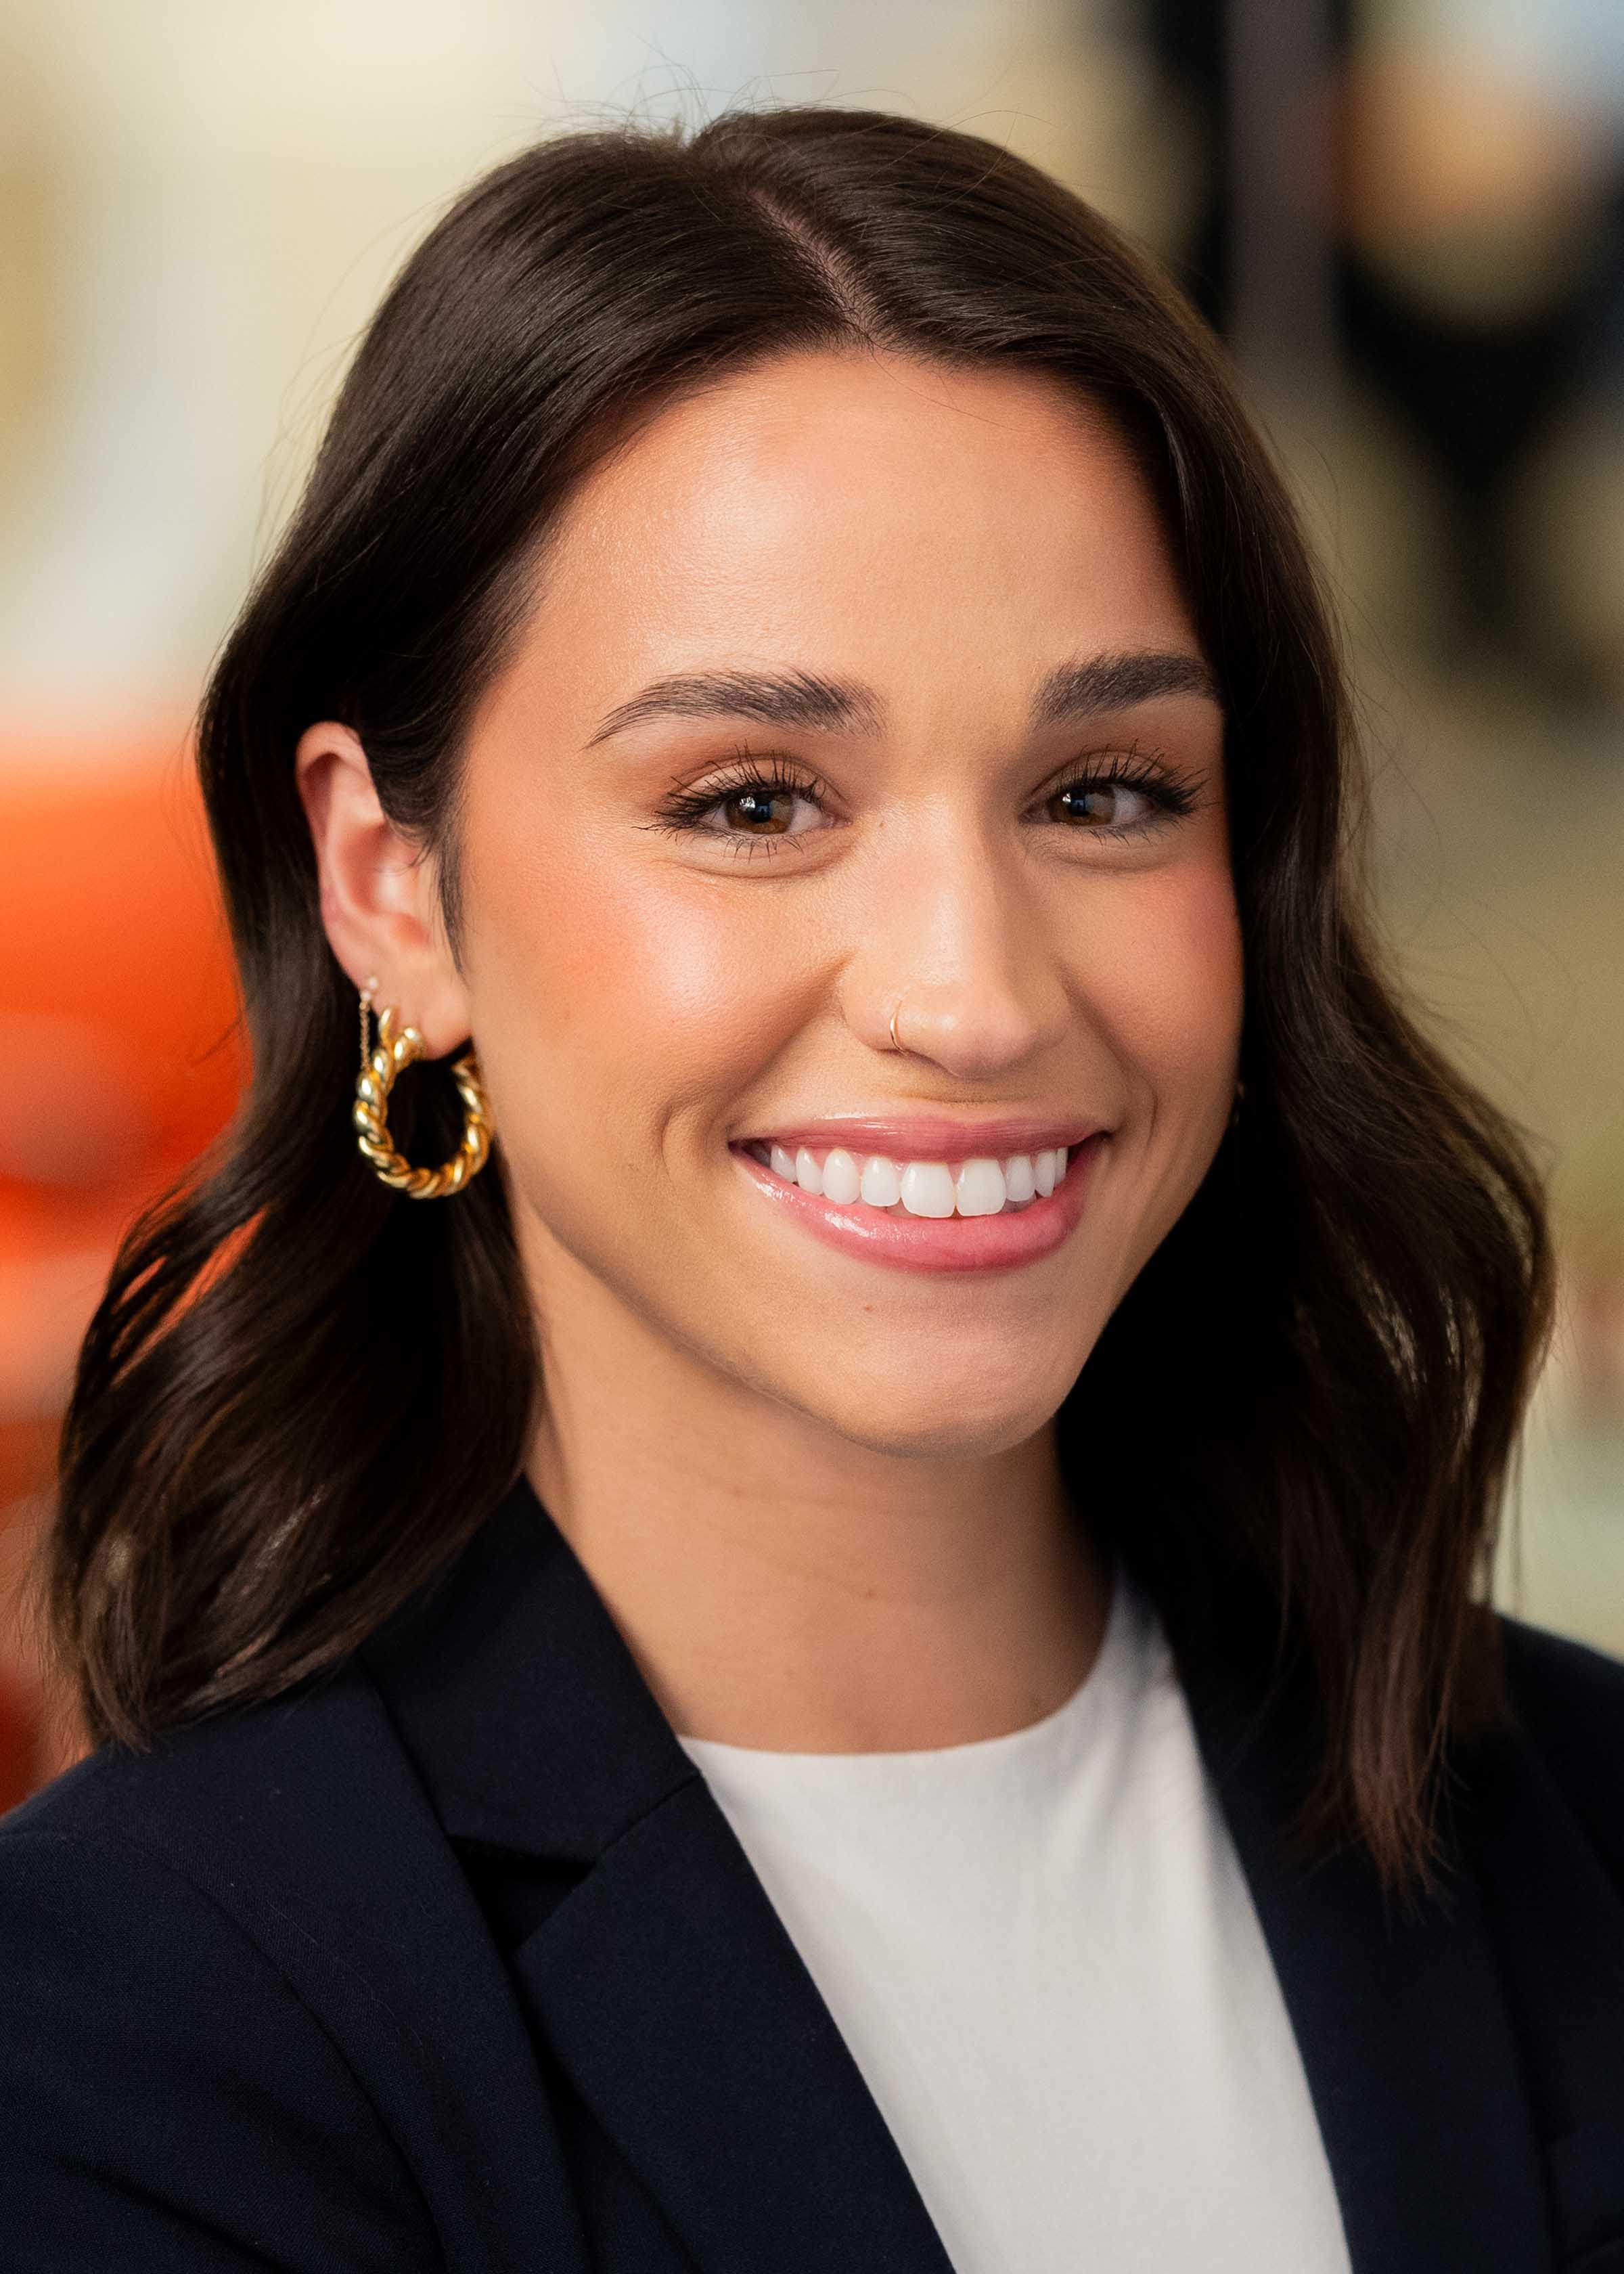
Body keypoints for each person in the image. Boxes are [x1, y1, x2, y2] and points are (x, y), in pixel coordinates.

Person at [3, 105, 1621, 2274]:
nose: (974, 995)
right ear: (391, 886)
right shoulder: (134, 2025)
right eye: (755, 800)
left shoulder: (1584, 1835)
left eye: (1105, 792)